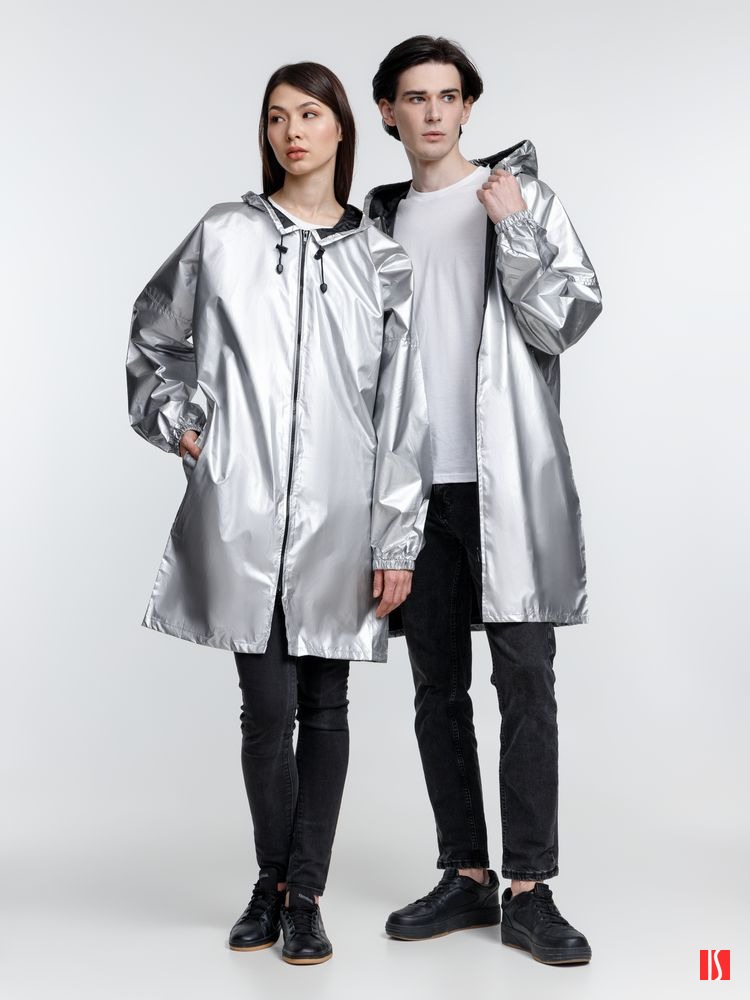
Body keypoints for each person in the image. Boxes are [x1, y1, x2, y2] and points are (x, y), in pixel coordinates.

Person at [126, 61, 431, 966]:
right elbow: (154, 335)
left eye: (309, 114)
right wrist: (184, 425)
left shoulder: (382, 260)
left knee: (325, 707)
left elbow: (403, 412)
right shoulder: (225, 233)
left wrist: (397, 537)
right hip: (247, 514)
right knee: (265, 710)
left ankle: (306, 896)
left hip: (343, 518)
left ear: (342, 128)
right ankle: (273, 882)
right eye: (275, 118)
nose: (292, 132)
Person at [365, 36, 602, 965]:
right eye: (414, 97)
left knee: (526, 682)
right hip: (412, 490)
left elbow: (566, 320)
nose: (432, 112)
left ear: (468, 107)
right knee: (436, 688)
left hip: (506, 483)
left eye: (447, 96)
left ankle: (530, 890)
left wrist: (518, 232)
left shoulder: (519, 198)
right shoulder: (377, 222)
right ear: (387, 112)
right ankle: (465, 874)